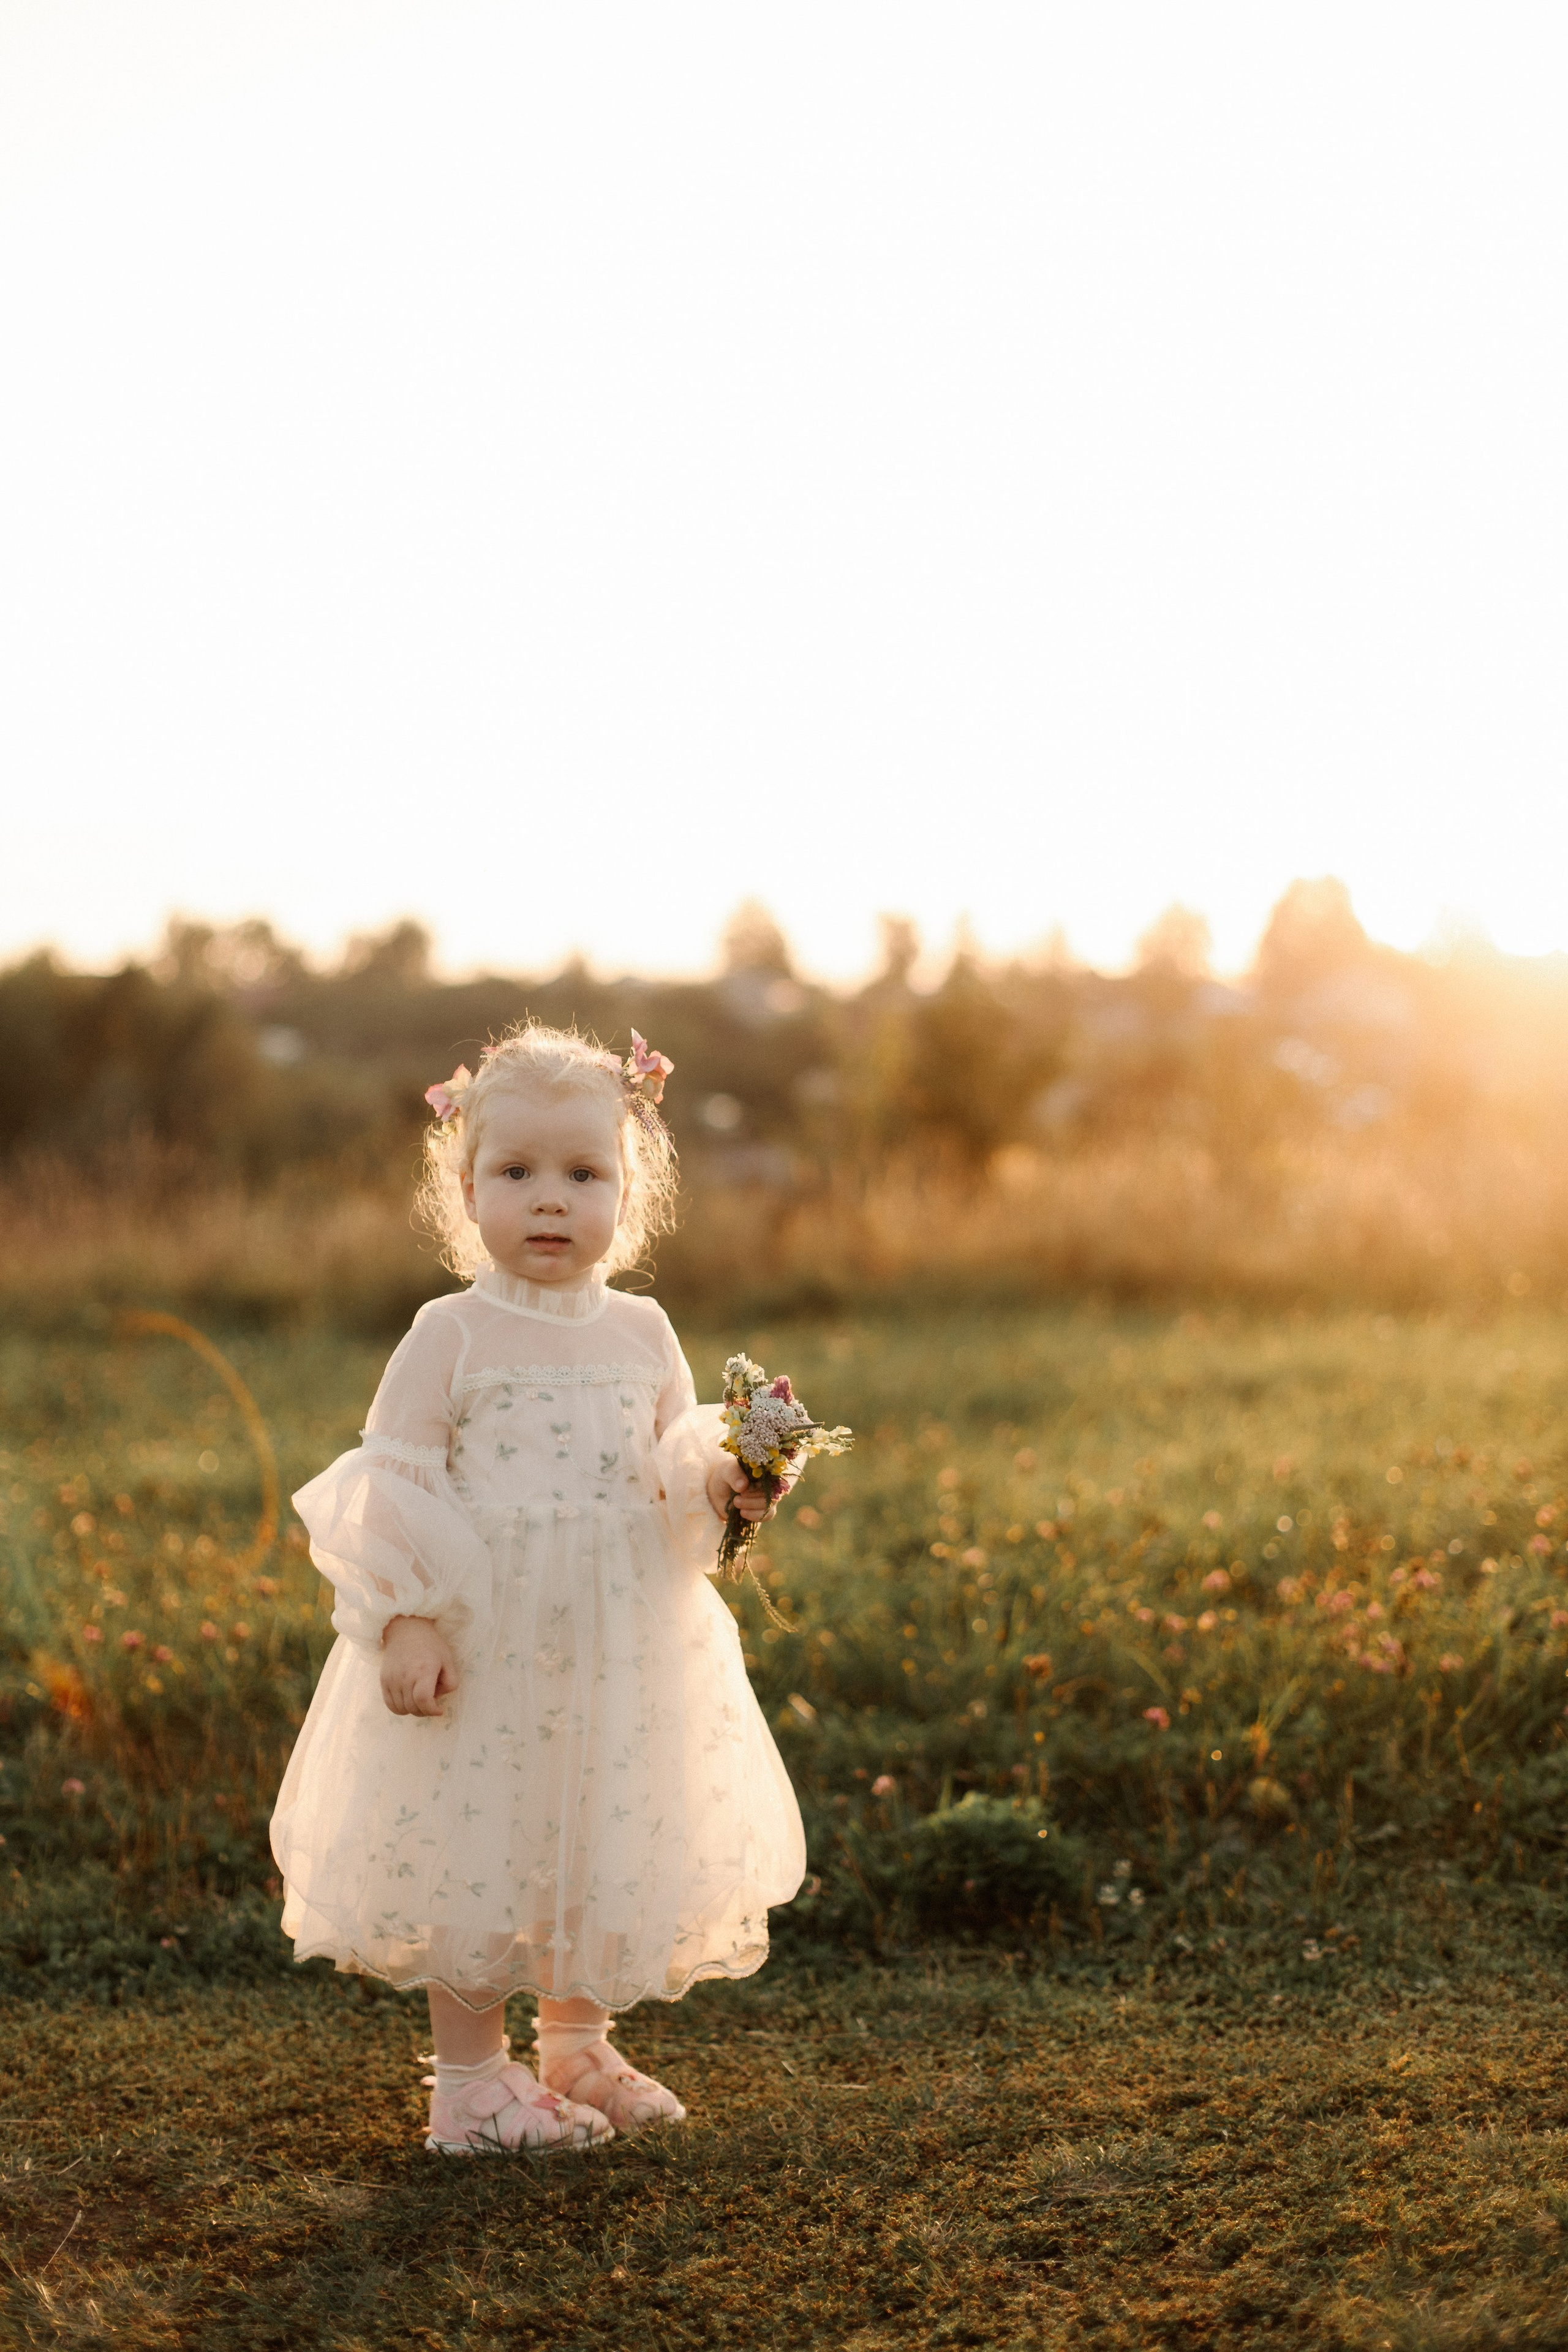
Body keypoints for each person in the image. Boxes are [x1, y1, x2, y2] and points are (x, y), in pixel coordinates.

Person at [269, 1023, 805, 2154]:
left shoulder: (643, 1330)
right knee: (483, 1836)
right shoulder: (449, 1334)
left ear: (629, 1189)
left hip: (619, 1640)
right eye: (517, 1173)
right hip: (486, 1638)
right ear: (466, 1189)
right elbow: (397, 1483)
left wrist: (729, 1479)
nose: (550, 1200)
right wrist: (405, 1618)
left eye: (583, 1173)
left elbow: (670, 1467)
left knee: (595, 1823)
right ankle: (468, 2084)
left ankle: (575, 2044)